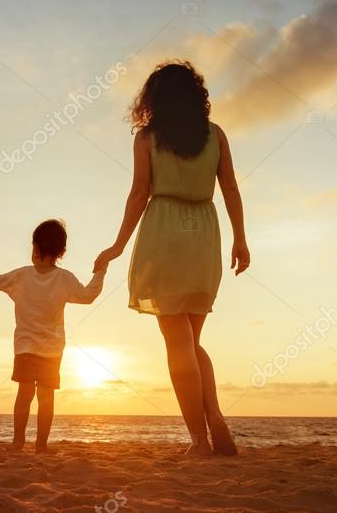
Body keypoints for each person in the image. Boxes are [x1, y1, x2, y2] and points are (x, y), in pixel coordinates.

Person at [94, 60, 249, 456]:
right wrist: (241, 240)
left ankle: (198, 438)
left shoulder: (147, 138)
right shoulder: (216, 135)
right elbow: (230, 188)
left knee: (177, 344)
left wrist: (117, 245)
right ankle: (214, 415)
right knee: (193, 342)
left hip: (164, 233)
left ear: (154, 100)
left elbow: (138, 193)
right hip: (203, 237)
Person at [0, 219, 104, 453]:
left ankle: (19, 441)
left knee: (25, 395)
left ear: (36, 248)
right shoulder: (65, 279)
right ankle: (40, 445)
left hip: (26, 347)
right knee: (46, 397)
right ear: (61, 252)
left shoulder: (23, 276)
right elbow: (89, 295)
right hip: (52, 350)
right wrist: (101, 270)